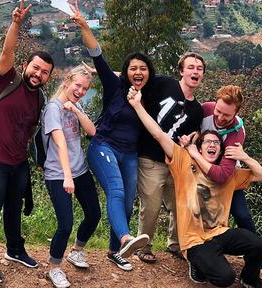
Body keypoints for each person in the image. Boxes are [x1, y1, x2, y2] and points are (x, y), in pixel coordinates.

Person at [128, 88, 262, 288]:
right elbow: (158, 134)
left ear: (221, 149)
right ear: (199, 145)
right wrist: (136, 105)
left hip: (220, 232)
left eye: (216, 143)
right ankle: (196, 261)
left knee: (261, 246)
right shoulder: (183, 161)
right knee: (225, 278)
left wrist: (244, 157)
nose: (212, 145)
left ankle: (250, 277)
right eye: (207, 142)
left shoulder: (228, 174)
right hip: (194, 240)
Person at [0, 1, 54, 284]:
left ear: (48, 77)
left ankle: (15, 249)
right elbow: (7, 51)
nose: (38, 74)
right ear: (25, 66)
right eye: (35, 68)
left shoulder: (39, 98)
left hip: (17, 162)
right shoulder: (7, 79)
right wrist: (16, 24)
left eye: (44, 72)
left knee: (14, 207)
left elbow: (31, 133)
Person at [70, 1, 149, 271]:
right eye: (133, 68)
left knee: (127, 202)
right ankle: (127, 237)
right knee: (115, 189)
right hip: (103, 146)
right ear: (126, 72)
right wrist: (83, 25)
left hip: (130, 153)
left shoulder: (150, 95)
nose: (138, 72)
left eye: (143, 69)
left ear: (148, 73)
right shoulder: (114, 84)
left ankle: (116, 250)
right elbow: (97, 53)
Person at [135, 52, 205, 263]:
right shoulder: (165, 84)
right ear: (181, 70)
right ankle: (143, 246)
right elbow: (137, 77)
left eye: (199, 68)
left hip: (175, 163)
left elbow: (192, 138)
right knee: (152, 205)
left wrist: (191, 141)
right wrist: (99, 71)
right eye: (191, 67)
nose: (195, 71)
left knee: (181, 204)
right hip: (150, 157)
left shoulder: (197, 110)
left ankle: (176, 244)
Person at [41, 65, 101, 288]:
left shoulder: (74, 106)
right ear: (67, 81)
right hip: (59, 174)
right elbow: (60, 142)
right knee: (65, 224)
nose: (81, 91)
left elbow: (92, 131)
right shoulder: (53, 109)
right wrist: (67, 177)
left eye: (85, 88)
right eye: (78, 85)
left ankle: (76, 252)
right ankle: (53, 268)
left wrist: (76, 109)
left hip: (80, 170)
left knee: (94, 214)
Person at [200, 85, 257, 233]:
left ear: (236, 112)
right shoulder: (204, 109)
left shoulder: (237, 131)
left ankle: (255, 247)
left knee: (242, 215)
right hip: (200, 171)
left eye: (226, 115)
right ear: (215, 103)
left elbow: (222, 174)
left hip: (227, 174)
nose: (220, 118)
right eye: (218, 111)